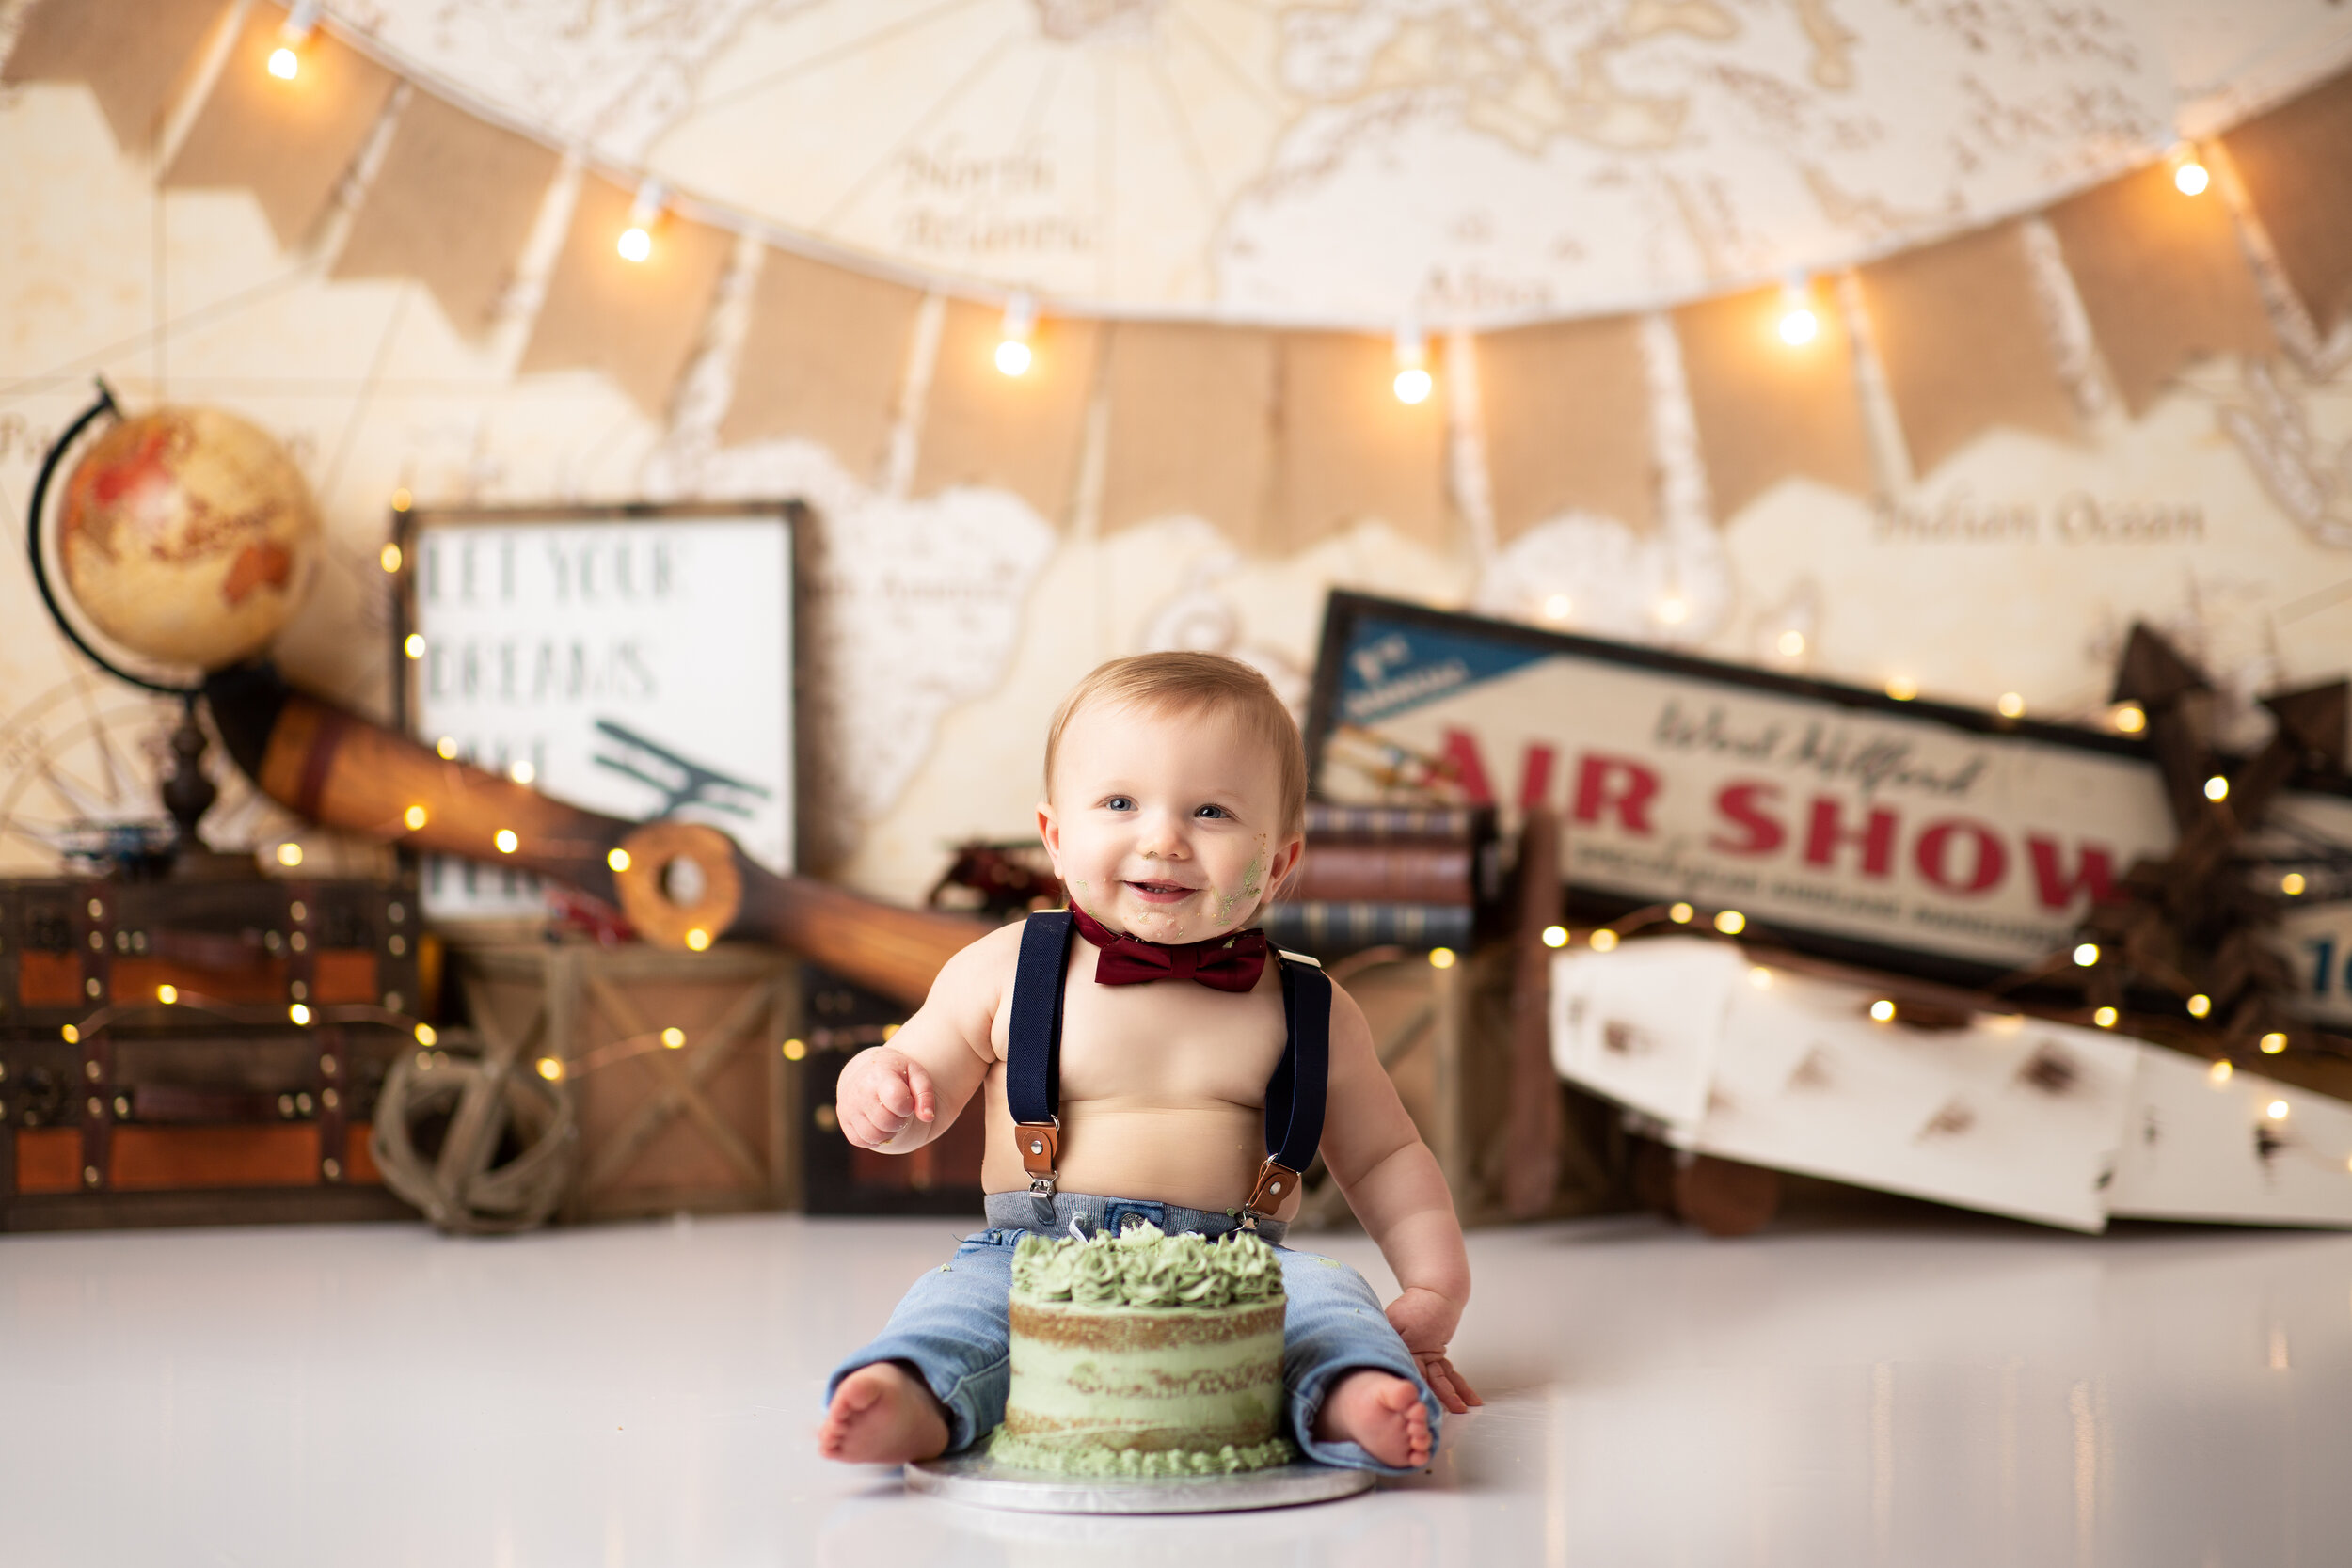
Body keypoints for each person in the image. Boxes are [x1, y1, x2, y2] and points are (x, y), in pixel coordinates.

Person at [816, 652, 1481, 1472]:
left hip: (1242, 1263)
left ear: (1277, 863)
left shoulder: (1310, 1004)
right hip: (1032, 1254)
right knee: (955, 1310)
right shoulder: (1006, 966)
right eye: (1121, 802)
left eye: (1210, 811)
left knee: (1331, 1305)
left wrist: (1434, 1285)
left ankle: (1355, 1395)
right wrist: (878, 1093)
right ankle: (908, 1393)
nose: (1162, 838)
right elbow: (919, 1075)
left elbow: (1386, 1157)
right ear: (1057, 838)